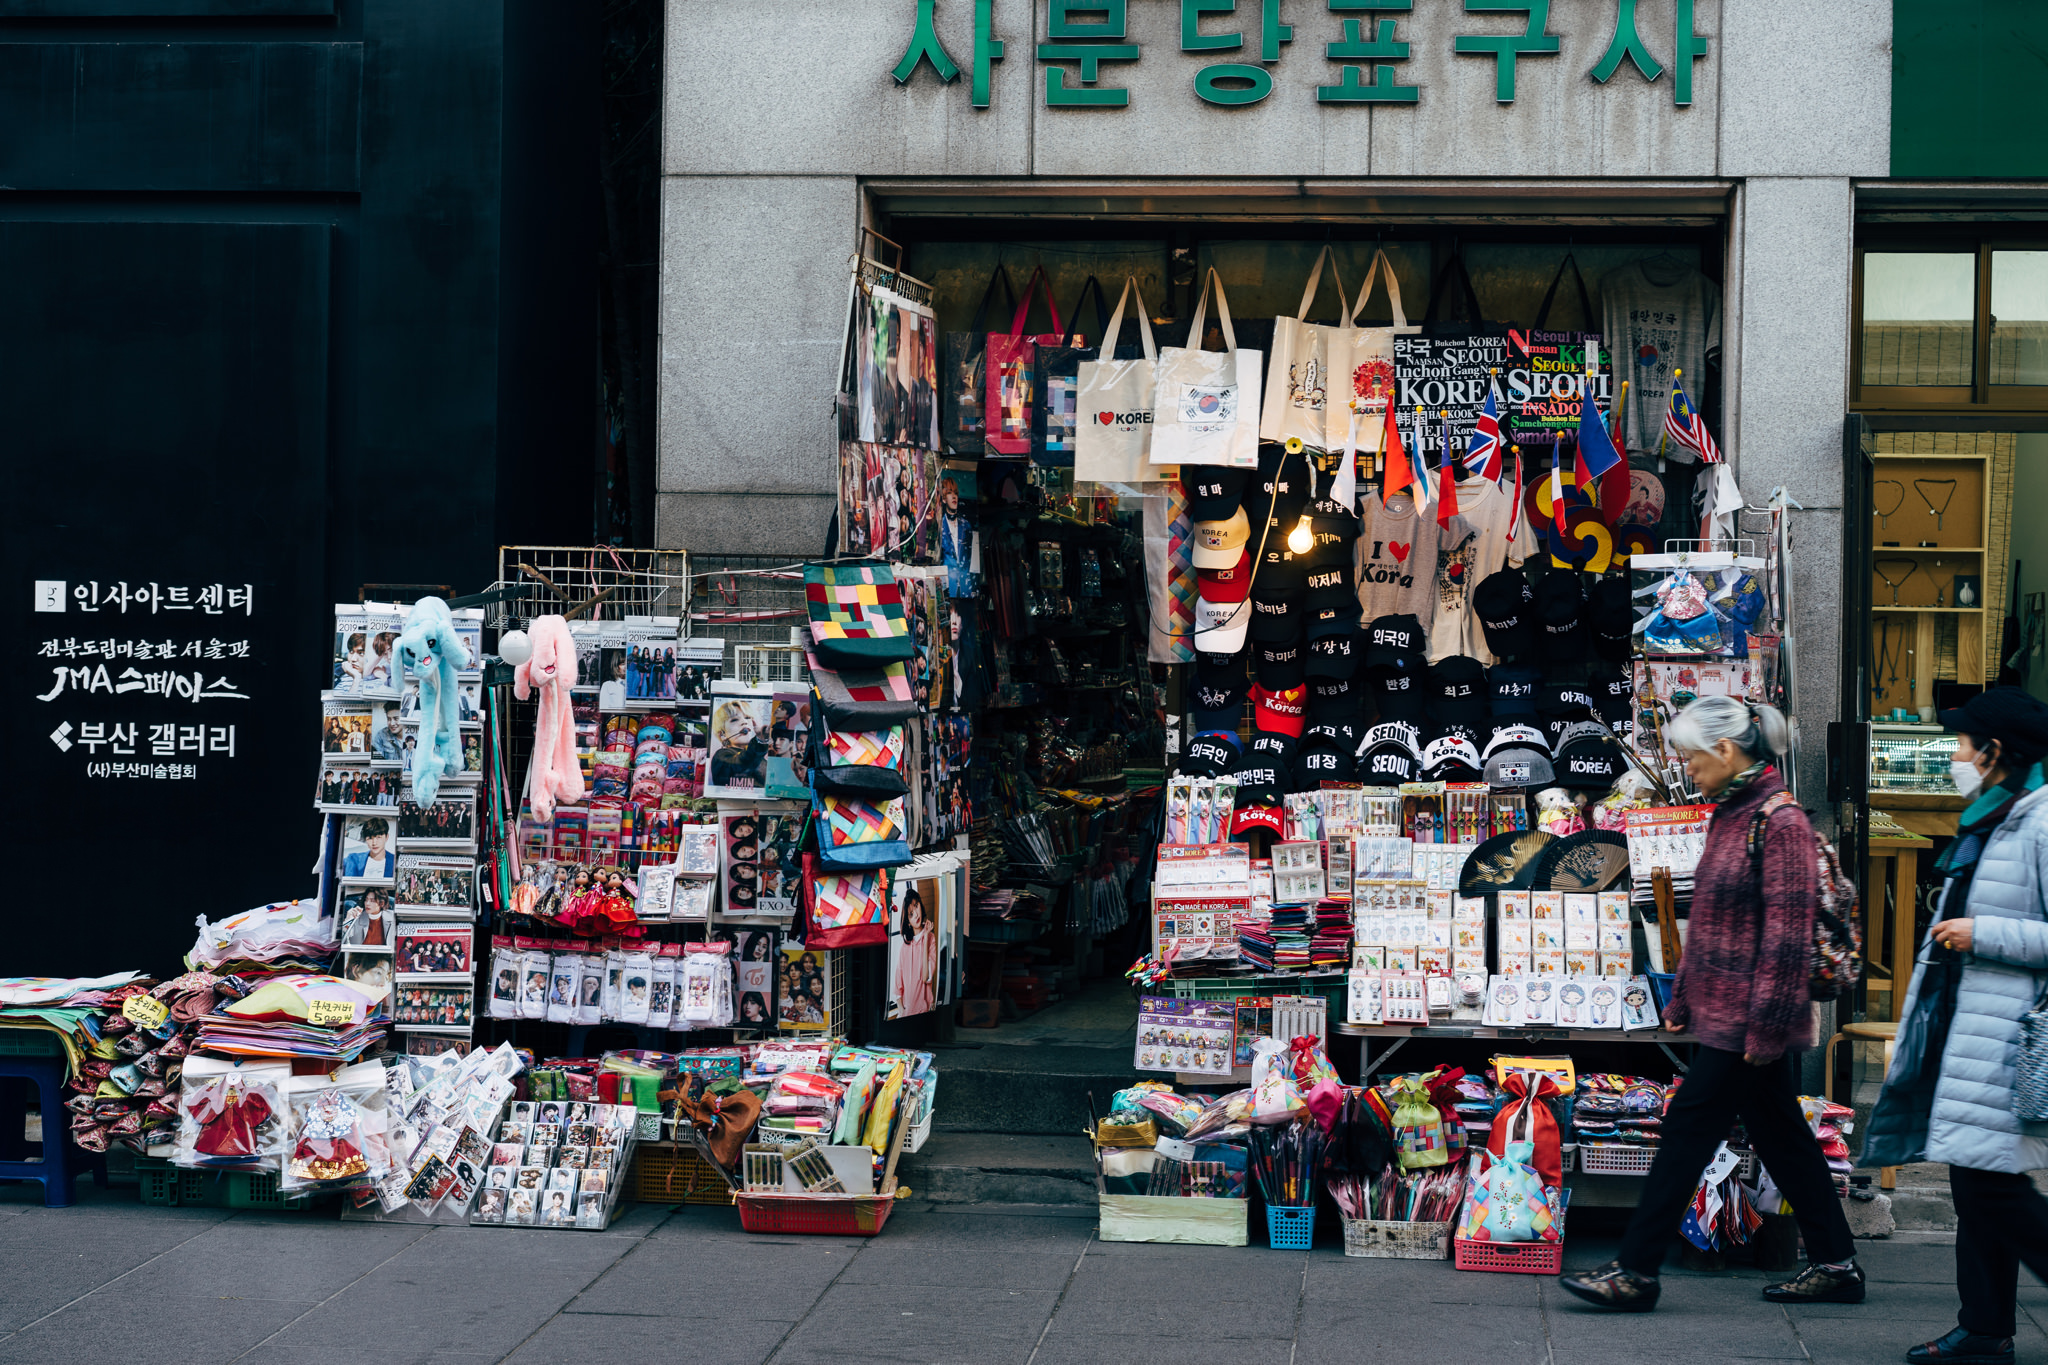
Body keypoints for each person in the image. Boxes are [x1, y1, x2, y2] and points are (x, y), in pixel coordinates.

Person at [1560, 695, 1860, 1313]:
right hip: (1729, 1014)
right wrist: (1684, 996)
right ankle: (1837, 1262)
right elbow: (1711, 920)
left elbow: (1784, 935)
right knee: (1783, 1139)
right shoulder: (1731, 813)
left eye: (1694, 758)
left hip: (1751, 1023)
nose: (1688, 769)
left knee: (1687, 1132)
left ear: (1726, 751)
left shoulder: (1781, 824)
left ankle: (1636, 1270)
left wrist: (1767, 1029)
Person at [1866, 689, 2048, 1365]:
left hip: (2009, 1036)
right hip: (1973, 1029)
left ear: (1997, 751)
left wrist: (1985, 932)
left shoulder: (2039, 820)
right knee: (1978, 1183)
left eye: (1965, 744)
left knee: (1990, 1186)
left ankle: (1984, 1327)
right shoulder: (1996, 816)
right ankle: (1984, 1328)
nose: (1955, 756)